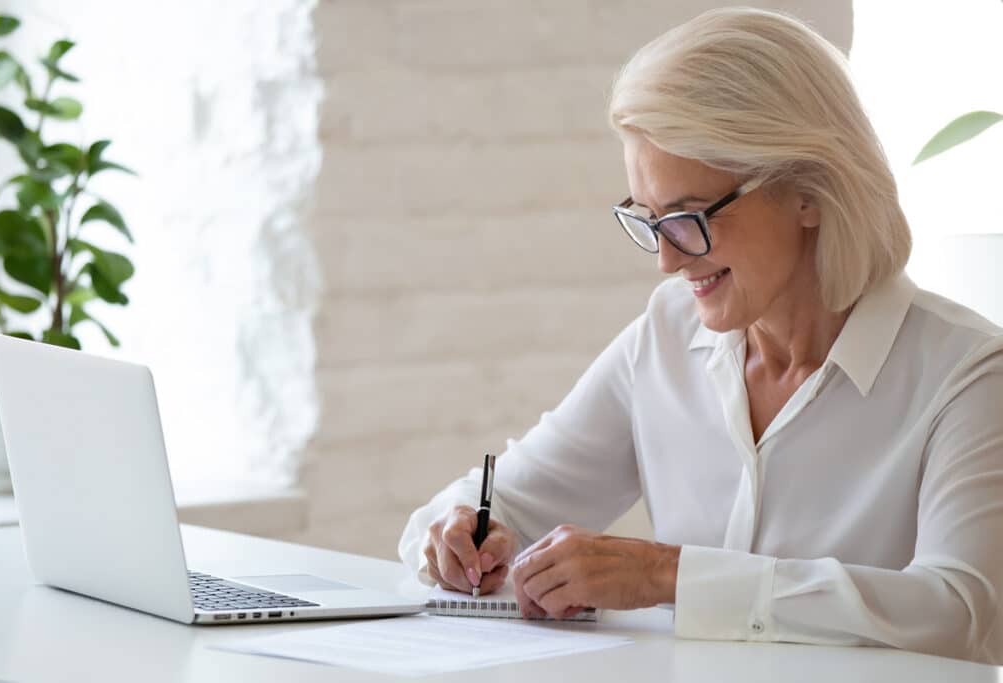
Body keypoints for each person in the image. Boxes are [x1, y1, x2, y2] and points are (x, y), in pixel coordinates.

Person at [398, 7, 1003, 664]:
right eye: (650, 219)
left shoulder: (965, 372)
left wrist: (671, 573)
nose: (667, 259)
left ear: (808, 190)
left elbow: (961, 611)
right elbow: (508, 496)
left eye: (688, 217)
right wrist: (457, 531)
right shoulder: (666, 336)